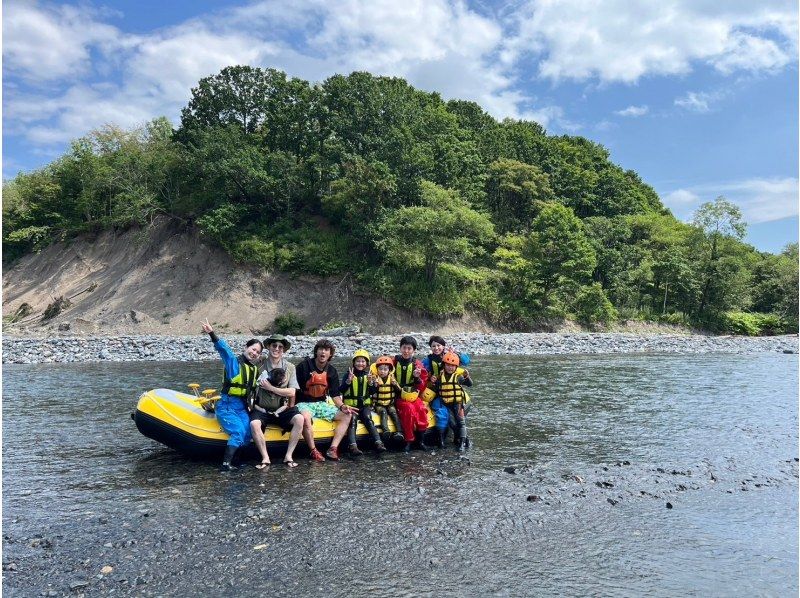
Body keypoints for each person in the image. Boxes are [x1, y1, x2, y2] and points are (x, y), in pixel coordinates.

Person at [201, 319, 261, 471]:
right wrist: (211, 333)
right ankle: (225, 464)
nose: (254, 353)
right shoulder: (233, 362)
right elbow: (224, 349)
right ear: (246, 347)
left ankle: (237, 461)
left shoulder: (254, 370)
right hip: (226, 405)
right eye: (252, 349)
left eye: (257, 352)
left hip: (241, 406)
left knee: (247, 433)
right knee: (238, 432)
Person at [294, 339, 353, 461]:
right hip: (304, 403)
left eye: (326, 350)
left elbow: (335, 395)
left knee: (347, 415)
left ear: (330, 354)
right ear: (316, 351)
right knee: (305, 418)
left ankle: (333, 448)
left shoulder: (331, 371)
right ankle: (313, 450)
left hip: (321, 403)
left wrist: (342, 407)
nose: (323, 352)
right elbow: (293, 388)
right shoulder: (303, 366)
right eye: (320, 349)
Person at [251, 334, 304, 468]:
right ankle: (265, 458)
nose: (277, 349)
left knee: (299, 419)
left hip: (282, 409)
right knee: (254, 424)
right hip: (261, 408)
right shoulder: (259, 363)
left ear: (284, 350)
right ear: (268, 347)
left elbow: (292, 392)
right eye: (274, 345)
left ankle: (288, 456)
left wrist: (271, 388)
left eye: (280, 347)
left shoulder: (290, 367)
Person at [422, 335, 471, 448]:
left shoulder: (450, 356)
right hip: (438, 390)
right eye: (433, 346)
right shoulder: (428, 360)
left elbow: (466, 361)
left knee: (458, 419)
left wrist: (456, 354)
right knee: (447, 416)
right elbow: (423, 370)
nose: (436, 348)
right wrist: (430, 379)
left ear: (443, 346)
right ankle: (449, 436)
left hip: (453, 391)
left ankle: (462, 439)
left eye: (438, 345)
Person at [340, 349, 386, 455]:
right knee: (352, 421)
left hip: (364, 406)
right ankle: (353, 446)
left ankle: (379, 443)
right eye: (358, 361)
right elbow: (341, 390)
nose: (360, 364)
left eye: (363, 361)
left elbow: (373, 392)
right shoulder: (348, 375)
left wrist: (371, 383)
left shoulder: (368, 376)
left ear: (366, 363)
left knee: (368, 419)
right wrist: (348, 381)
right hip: (352, 406)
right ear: (354, 363)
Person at [392, 336, 431, 452]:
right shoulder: (393, 362)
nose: (406, 351)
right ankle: (409, 440)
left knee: (421, 408)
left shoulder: (417, 365)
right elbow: (380, 371)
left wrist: (417, 378)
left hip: (413, 396)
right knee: (408, 410)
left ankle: (421, 441)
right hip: (399, 396)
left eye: (409, 349)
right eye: (404, 348)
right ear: (400, 348)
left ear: (413, 351)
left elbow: (422, 386)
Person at [433, 352, 473, 452]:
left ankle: (463, 442)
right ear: (444, 365)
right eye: (448, 365)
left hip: (457, 404)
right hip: (447, 404)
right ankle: (461, 439)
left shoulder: (458, 377)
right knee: (453, 424)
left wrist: (467, 377)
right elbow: (437, 388)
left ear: (456, 367)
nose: (450, 367)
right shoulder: (440, 377)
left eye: (452, 366)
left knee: (461, 422)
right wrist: (433, 381)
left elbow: (470, 384)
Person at [370, 355, 404, 443]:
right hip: (379, 404)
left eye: (385, 369)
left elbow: (399, 391)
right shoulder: (375, 379)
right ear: (377, 369)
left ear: (389, 370)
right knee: (383, 412)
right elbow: (370, 392)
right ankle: (385, 430)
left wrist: (395, 384)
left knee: (393, 412)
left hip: (390, 403)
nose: (382, 371)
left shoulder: (392, 379)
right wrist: (375, 385)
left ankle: (399, 432)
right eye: (380, 369)